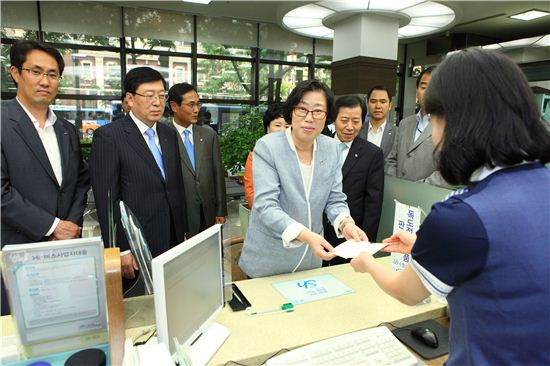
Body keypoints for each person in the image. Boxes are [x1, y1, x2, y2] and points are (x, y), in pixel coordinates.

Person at [350, 49, 550, 365]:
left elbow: (408, 293)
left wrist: (367, 261)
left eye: (433, 117)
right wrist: (427, 248)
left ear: (456, 120)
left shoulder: (463, 216)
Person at [239, 79, 368, 278]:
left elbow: (335, 199)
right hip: (269, 259)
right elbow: (266, 206)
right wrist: (307, 236)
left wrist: (346, 224)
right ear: (291, 111)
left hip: (310, 260)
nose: (309, 118)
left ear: (327, 117)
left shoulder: (331, 148)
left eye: (318, 111)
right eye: (302, 109)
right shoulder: (268, 147)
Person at [1, 40, 90, 315]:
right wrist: (52, 226)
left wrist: (70, 225)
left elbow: (79, 182)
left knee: (66, 320)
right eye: (35, 71)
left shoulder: (66, 129)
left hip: (65, 252)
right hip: (18, 251)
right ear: (15, 73)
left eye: (52, 74)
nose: (45, 81)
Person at [89, 67, 188, 288]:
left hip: (171, 237)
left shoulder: (169, 134)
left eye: (162, 95)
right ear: (130, 99)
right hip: (136, 242)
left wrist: (181, 231)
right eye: (149, 95)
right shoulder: (109, 137)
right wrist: (120, 249)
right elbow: (107, 201)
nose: (157, 102)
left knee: (171, 294)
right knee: (141, 306)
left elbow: (175, 187)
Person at [323, 96, 384, 266]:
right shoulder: (318, 146)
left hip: (351, 235)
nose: (350, 127)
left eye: (356, 121)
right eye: (344, 120)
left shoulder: (372, 154)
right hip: (316, 231)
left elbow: (374, 203)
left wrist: (365, 244)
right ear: (333, 119)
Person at [168, 83, 227, 237]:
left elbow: (217, 173)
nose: (196, 110)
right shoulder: (164, 136)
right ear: (174, 106)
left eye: (198, 104)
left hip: (208, 212)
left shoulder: (208, 135)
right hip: (180, 214)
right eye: (191, 105)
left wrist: (221, 209)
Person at [385, 67, 448, 187]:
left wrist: (416, 189)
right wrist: (397, 184)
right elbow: (391, 160)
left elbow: (446, 172)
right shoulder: (405, 123)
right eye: (423, 87)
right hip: (398, 195)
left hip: (426, 197)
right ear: (417, 90)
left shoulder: (448, 127)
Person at [243, 102, 289, 209]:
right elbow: (251, 194)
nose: (283, 130)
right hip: (265, 217)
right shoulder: (255, 156)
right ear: (268, 128)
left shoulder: (300, 155)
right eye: (277, 125)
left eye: (287, 126)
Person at [358, 85, 396, 160]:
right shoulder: (357, 131)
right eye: (373, 101)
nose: (378, 106)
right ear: (368, 104)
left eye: (383, 102)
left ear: (390, 105)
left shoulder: (398, 134)